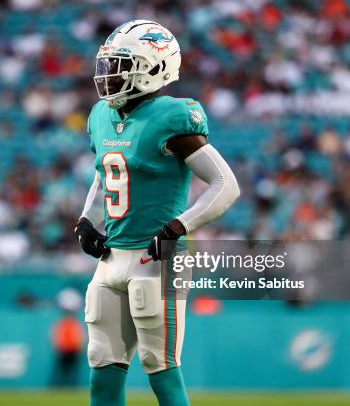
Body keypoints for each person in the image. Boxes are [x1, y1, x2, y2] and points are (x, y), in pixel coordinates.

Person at [74, 20, 240, 406]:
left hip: (157, 258)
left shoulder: (171, 117)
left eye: (120, 66)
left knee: (159, 364)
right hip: (112, 256)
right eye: (108, 66)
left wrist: (178, 227)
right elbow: (105, 174)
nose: (109, 76)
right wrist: (86, 219)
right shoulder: (101, 115)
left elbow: (225, 184)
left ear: (154, 67)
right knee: (102, 363)